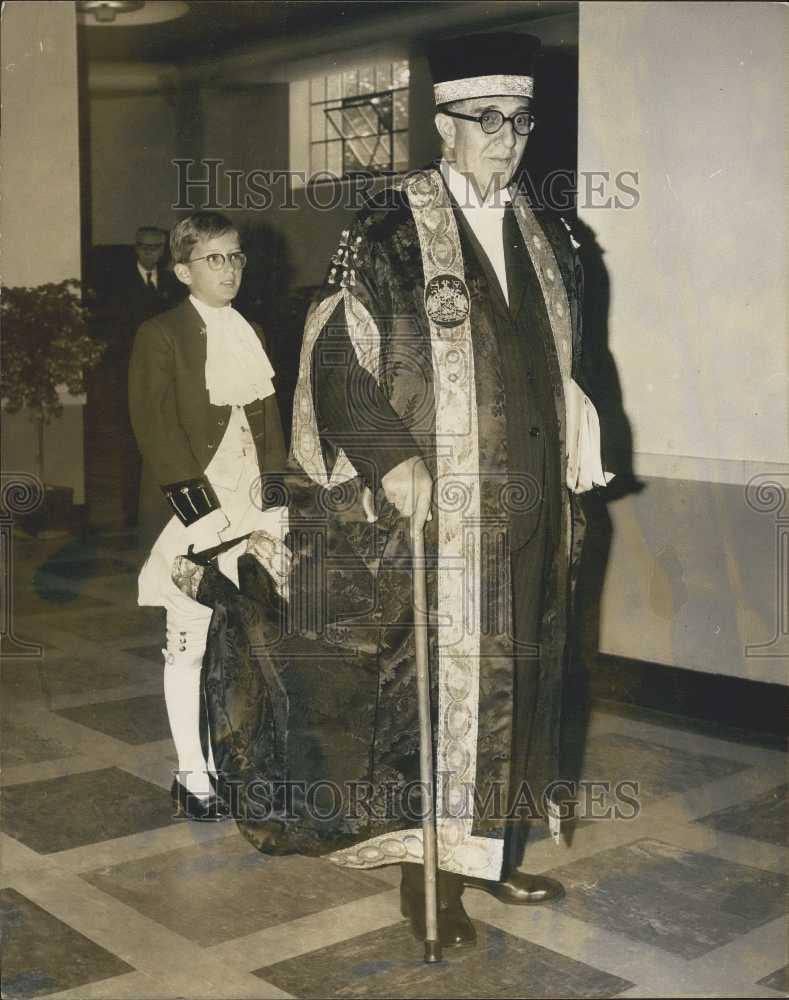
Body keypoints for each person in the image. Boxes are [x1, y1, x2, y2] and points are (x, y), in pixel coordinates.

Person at [170, 33, 610, 951]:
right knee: (439, 696)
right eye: (487, 120)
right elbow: (335, 363)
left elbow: (566, 360)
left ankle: (492, 847)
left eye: (520, 121)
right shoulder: (388, 233)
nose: (507, 138)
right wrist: (394, 461)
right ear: (445, 127)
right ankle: (430, 886)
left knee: (523, 681)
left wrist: (578, 428)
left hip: (531, 505)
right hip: (437, 511)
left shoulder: (552, 231)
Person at [128, 211, 289, 821]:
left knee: (248, 641)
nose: (229, 269)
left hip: (251, 505)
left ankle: (239, 761)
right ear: (182, 271)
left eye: (237, 256)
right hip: (191, 513)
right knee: (189, 644)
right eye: (214, 259)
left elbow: (269, 425)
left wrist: (275, 500)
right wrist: (201, 518)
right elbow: (157, 430)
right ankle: (192, 774)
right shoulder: (160, 334)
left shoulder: (253, 332)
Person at [88, 226, 184, 526]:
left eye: (156, 247)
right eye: (144, 247)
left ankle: (166, 510)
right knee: (131, 445)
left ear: (163, 250)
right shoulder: (117, 285)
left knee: (166, 441)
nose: (150, 253)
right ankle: (131, 511)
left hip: (165, 377)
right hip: (128, 376)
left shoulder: (172, 284)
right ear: (135, 248)